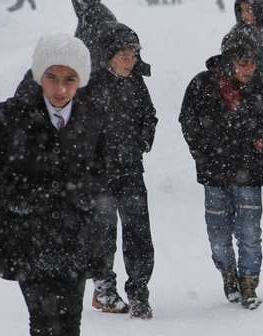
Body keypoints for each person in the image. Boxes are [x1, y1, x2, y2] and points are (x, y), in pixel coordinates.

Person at [0, 34, 104, 335]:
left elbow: (102, 168)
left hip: (76, 236)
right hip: (29, 236)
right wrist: (17, 199)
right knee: (44, 323)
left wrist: (85, 196)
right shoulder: (14, 115)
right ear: (38, 75)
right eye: (52, 78)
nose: (60, 88)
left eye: (70, 79)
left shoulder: (91, 117)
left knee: (70, 322)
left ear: (80, 79)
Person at [179, 31, 263, 310]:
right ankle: (227, 273)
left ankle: (249, 283)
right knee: (218, 234)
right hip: (214, 174)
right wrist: (203, 152)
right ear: (228, 61)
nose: (249, 69)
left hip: (249, 171)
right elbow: (188, 121)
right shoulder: (202, 84)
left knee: (250, 231)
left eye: (253, 63)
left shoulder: (262, 86)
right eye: (243, 63)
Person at [83, 22, 157, 319]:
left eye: (134, 56)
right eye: (124, 56)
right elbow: (79, 127)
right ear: (110, 56)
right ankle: (104, 288)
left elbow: (149, 116)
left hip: (130, 170)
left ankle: (139, 292)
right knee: (103, 232)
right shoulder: (91, 85)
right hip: (99, 173)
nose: (131, 61)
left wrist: (142, 141)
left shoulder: (136, 82)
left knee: (138, 232)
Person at [230, 0, 263, 195]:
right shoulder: (236, 33)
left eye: (250, 10)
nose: (246, 15)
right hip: (245, 90)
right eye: (242, 10)